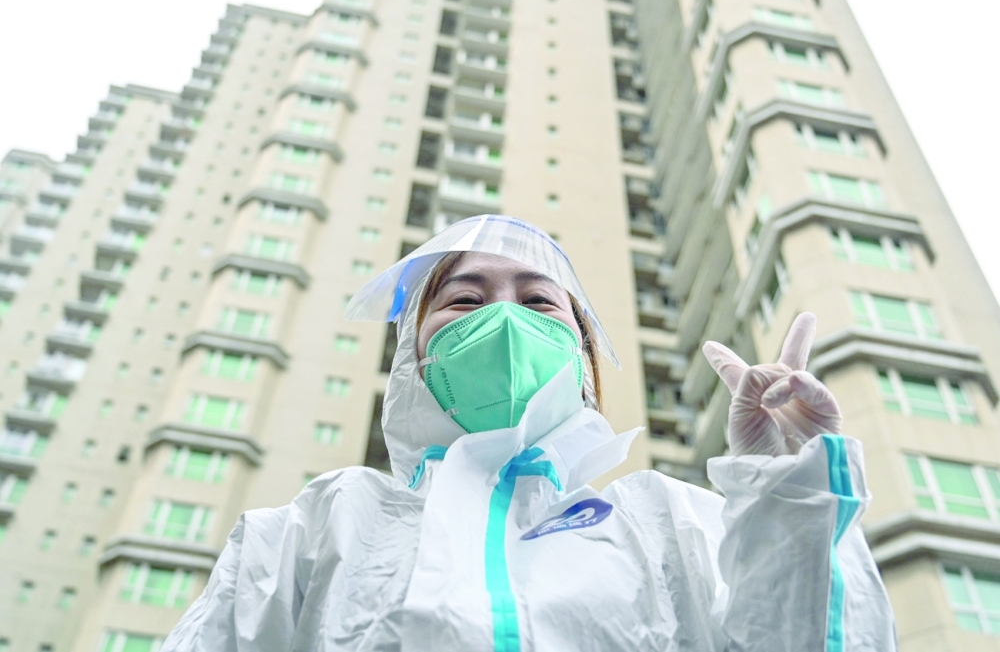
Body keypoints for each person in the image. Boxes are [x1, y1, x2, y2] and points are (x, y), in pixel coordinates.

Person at [161, 215, 897, 651]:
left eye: (539, 300)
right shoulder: (317, 525)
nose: (504, 318)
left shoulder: (667, 522)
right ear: (414, 352)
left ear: (582, 355)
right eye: (466, 297)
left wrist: (795, 496)